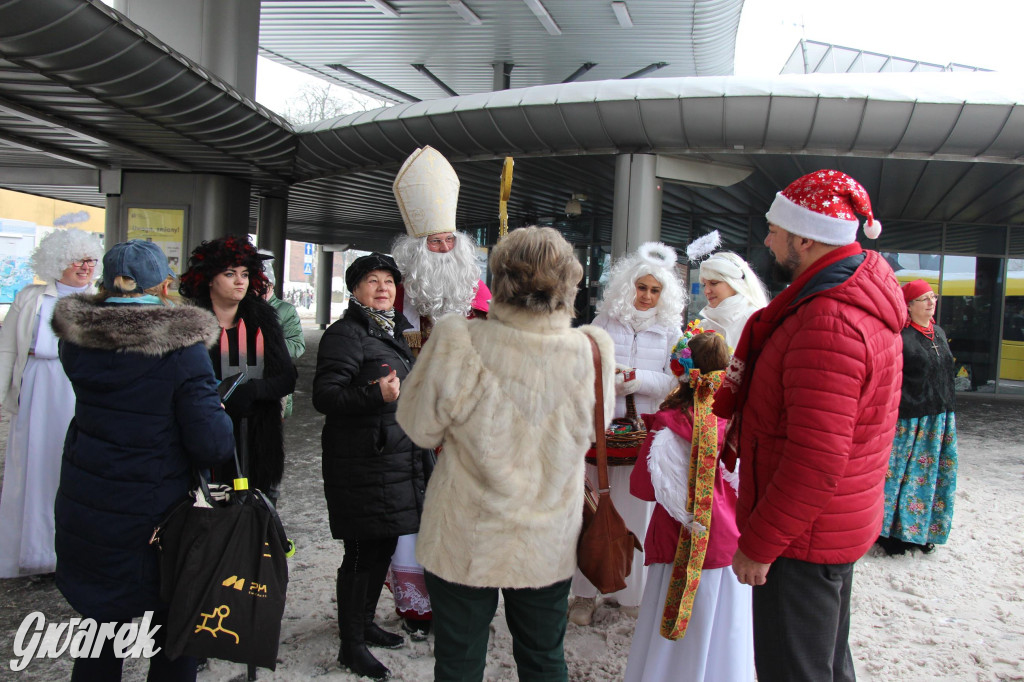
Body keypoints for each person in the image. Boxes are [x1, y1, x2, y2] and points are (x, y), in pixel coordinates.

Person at [396, 226, 616, 682]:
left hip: (463, 534)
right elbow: (592, 435)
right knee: (544, 660)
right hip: (547, 535)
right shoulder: (593, 350)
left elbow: (418, 429)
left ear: (499, 277)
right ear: (570, 281)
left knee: (458, 662)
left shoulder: (460, 338)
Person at [715, 169, 905, 682]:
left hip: (802, 538)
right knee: (821, 666)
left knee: (795, 671)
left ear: (805, 236)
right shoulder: (842, 297)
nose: (767, 239)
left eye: (775, 229)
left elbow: (815, 458)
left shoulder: (827, 319)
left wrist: (760, 544)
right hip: (824, 526)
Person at [50, 239, 235, 681]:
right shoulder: (182, 348)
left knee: (99, 632)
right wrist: (218, 413)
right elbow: (212, 444)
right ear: (164, 286)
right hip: (158, 515)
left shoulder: (78, 341)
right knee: (175, 634)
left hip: (88, 501)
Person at [387, 145, 493, 638]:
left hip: (469, 427)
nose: (445, 250)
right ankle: (418, 605)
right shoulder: (395, 296)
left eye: (451, 241)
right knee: (415, 510)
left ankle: (464, 604)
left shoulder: (480, 294)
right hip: (412, 424)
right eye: (435, 243)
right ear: (414, 249)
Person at [313, 252, 432, 680]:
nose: (383, 288)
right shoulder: (347, 333)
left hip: (393, 460)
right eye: (372, 281)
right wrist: (374, 397)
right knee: (361, 552)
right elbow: (325, 396)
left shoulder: (395, 330)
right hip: (362, 462)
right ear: (355, 289)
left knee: (381, 544)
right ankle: (351, 645)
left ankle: (364, 623)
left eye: (388, 281)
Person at [625, 325, 754, 682]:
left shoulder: (667, 425)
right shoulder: (737, 420)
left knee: (674, 627)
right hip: (728, 542)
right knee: (725, 628)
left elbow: (644, 488)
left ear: (680, 371)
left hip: (682, 542)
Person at [568, 241, 684, 626]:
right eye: (642, 287)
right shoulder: (603, 321)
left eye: (655, 290)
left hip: (644, 435)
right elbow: (581, 364)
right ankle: (584, 594)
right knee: (593, 511)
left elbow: (675, 380)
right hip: (599, 433)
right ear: (626, 287)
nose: (647, 296)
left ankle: (631, 593)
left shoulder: (672, 330)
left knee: (638, 513)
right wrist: (606, 381)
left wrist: (637, 381)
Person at [0, 227, 102, 579]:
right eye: (78, 260)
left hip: (77, 391)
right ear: (57, 262)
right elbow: (7, 349)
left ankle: (70, 552)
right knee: (33, 468)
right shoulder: (30, 298)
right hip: (36, 389)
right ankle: (34, 552)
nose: (86, 267)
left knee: (72, 469)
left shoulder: (99, 302)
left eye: (90, 260)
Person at [178, 236, 296, 502]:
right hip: (203, 442)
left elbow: (286, 378)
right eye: (230, 274)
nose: (240, 281)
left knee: (253, 528)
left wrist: (253, 390)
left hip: (257, 444)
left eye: (244, 274)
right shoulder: (189, 324)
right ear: (209, 278)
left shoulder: (263, 320)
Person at [877, 279, 958, 556]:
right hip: (910, 419)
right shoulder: (900, 337)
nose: (930, 302)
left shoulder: (940, 333)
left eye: (932, 297)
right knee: (903, 477)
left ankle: (923, 532)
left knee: (934, 476)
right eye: (923, 299)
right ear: (908, 306)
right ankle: (892, 534)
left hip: (940, 417)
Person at [260, 249, 305, 419]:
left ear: (271, 284)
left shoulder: (285, 310)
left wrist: (265, 342)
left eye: (264, 284)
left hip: (275, 381)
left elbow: (298, 346)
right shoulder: (244, 307)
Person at [696, 251, 769, 350]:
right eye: (704, 284)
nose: (706, 291)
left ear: (734, 284)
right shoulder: (704, 325)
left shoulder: (756, 322)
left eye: (714, 283)